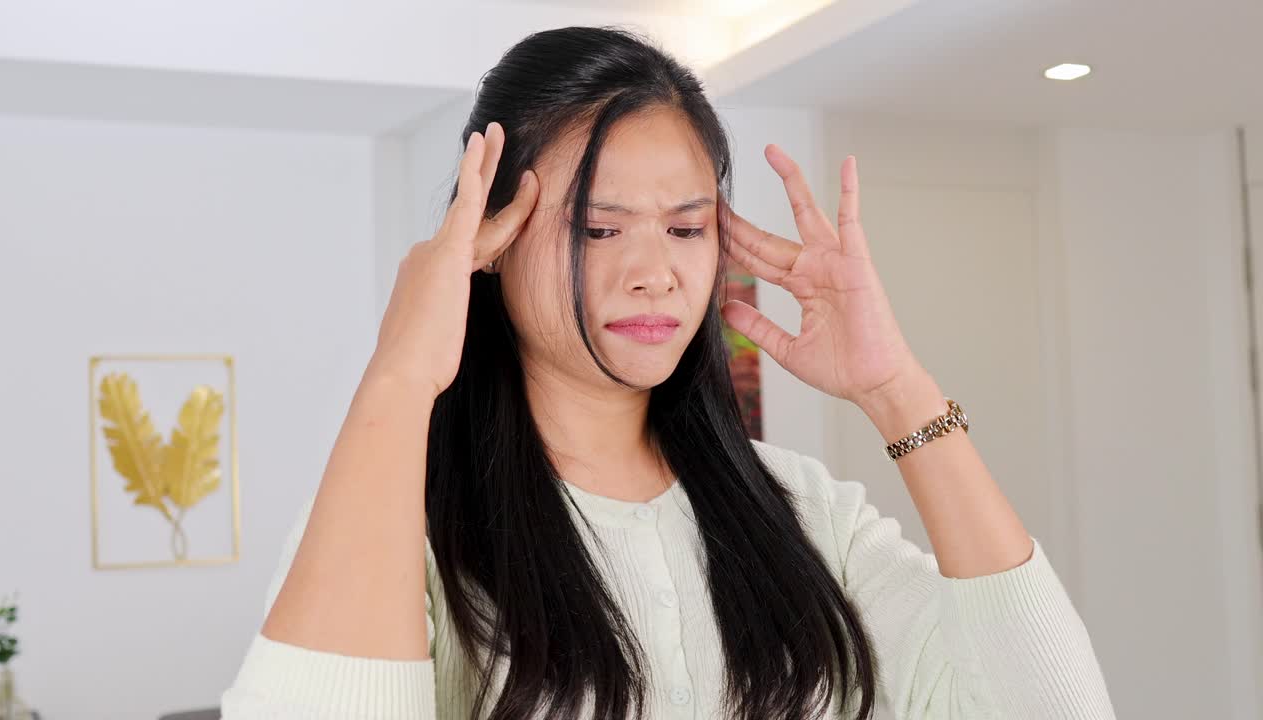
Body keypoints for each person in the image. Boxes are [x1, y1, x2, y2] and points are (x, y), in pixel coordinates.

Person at [220, 25, 1115, 720]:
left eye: (687, 229)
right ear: (488, 238)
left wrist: (896, 392)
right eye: (599, 228)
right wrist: (397, 378)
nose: (657, 272)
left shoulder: (806, 514)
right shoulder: (404, 525)